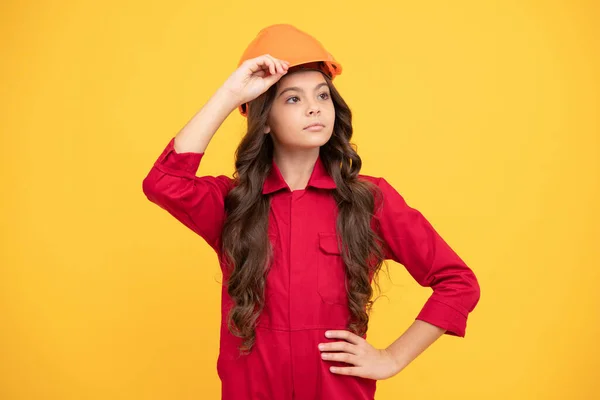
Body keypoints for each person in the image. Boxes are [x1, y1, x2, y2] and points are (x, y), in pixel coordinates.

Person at [142, 23, 480, 400]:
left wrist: (392, 358)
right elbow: (163, 182)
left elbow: (458, 282)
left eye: (322, 95)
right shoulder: (232, 203)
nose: (315, 107)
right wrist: (231, 93)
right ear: (263, 119)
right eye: (292, 99)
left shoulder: (370, 200)